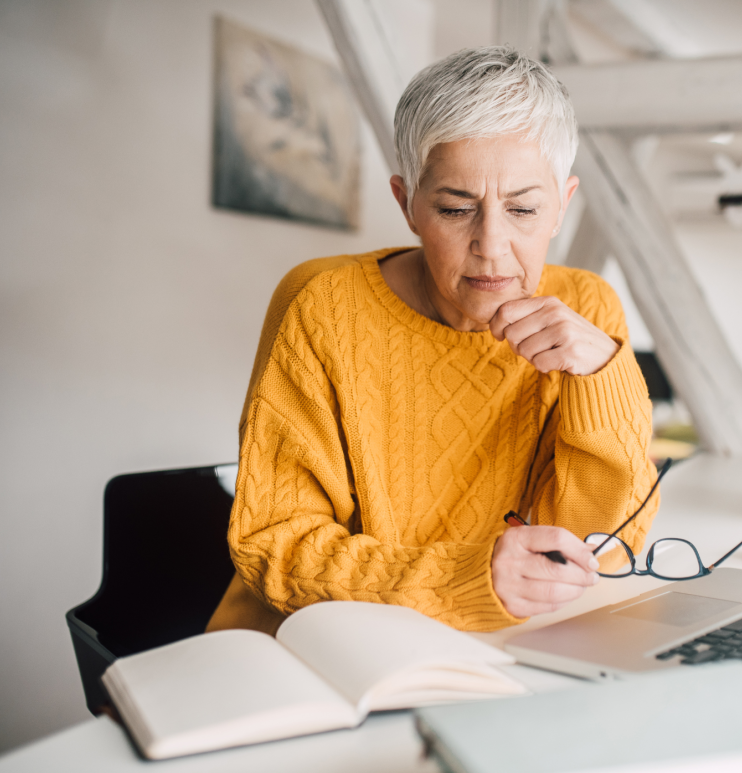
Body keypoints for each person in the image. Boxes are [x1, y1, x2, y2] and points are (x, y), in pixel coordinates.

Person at [206, 46, 658, 635]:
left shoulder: (589, 308)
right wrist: (461, 578)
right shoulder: (321, 306)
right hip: (310, 645)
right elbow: (275, 546)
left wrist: (605, 379)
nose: (492, 245)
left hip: (499, 645)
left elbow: (600, 546)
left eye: (522, 208)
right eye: (454, 208)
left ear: (562, 207)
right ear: (407, 204)